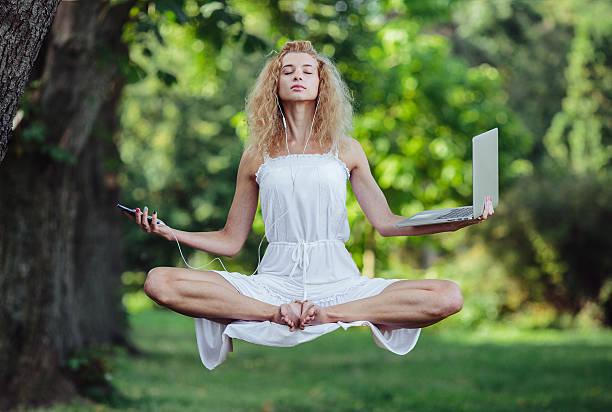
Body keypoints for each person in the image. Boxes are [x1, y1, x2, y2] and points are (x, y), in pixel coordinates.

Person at [122, 40, 494, 369]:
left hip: (339, 282)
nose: (297, 76)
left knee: (448, 294)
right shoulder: (256, 154)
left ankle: (330, 314)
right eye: (288, 71)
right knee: (159, 281)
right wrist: (172, 233)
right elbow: (231, 241)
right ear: (276, 85)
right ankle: (275, 315)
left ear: (321, 84)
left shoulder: (346, 148)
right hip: (274, 283)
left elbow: (387, 223)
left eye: (307, 71)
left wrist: (456, 219)